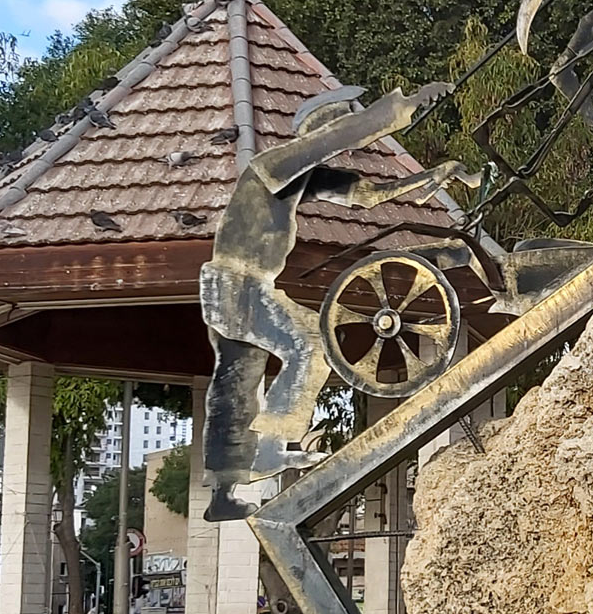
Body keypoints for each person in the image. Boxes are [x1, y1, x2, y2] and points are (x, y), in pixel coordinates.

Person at [200, 82, 469, 521]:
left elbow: (367, 195)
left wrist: (430, 177)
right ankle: (267, 452)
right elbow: (331, 141)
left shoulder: (302, 178)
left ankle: (226, 490)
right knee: (309, 342)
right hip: (237, 284)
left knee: (237, 380)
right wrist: (391, 112)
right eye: (339, 129)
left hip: (246, 286)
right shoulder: (269, 166)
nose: (340, 148)